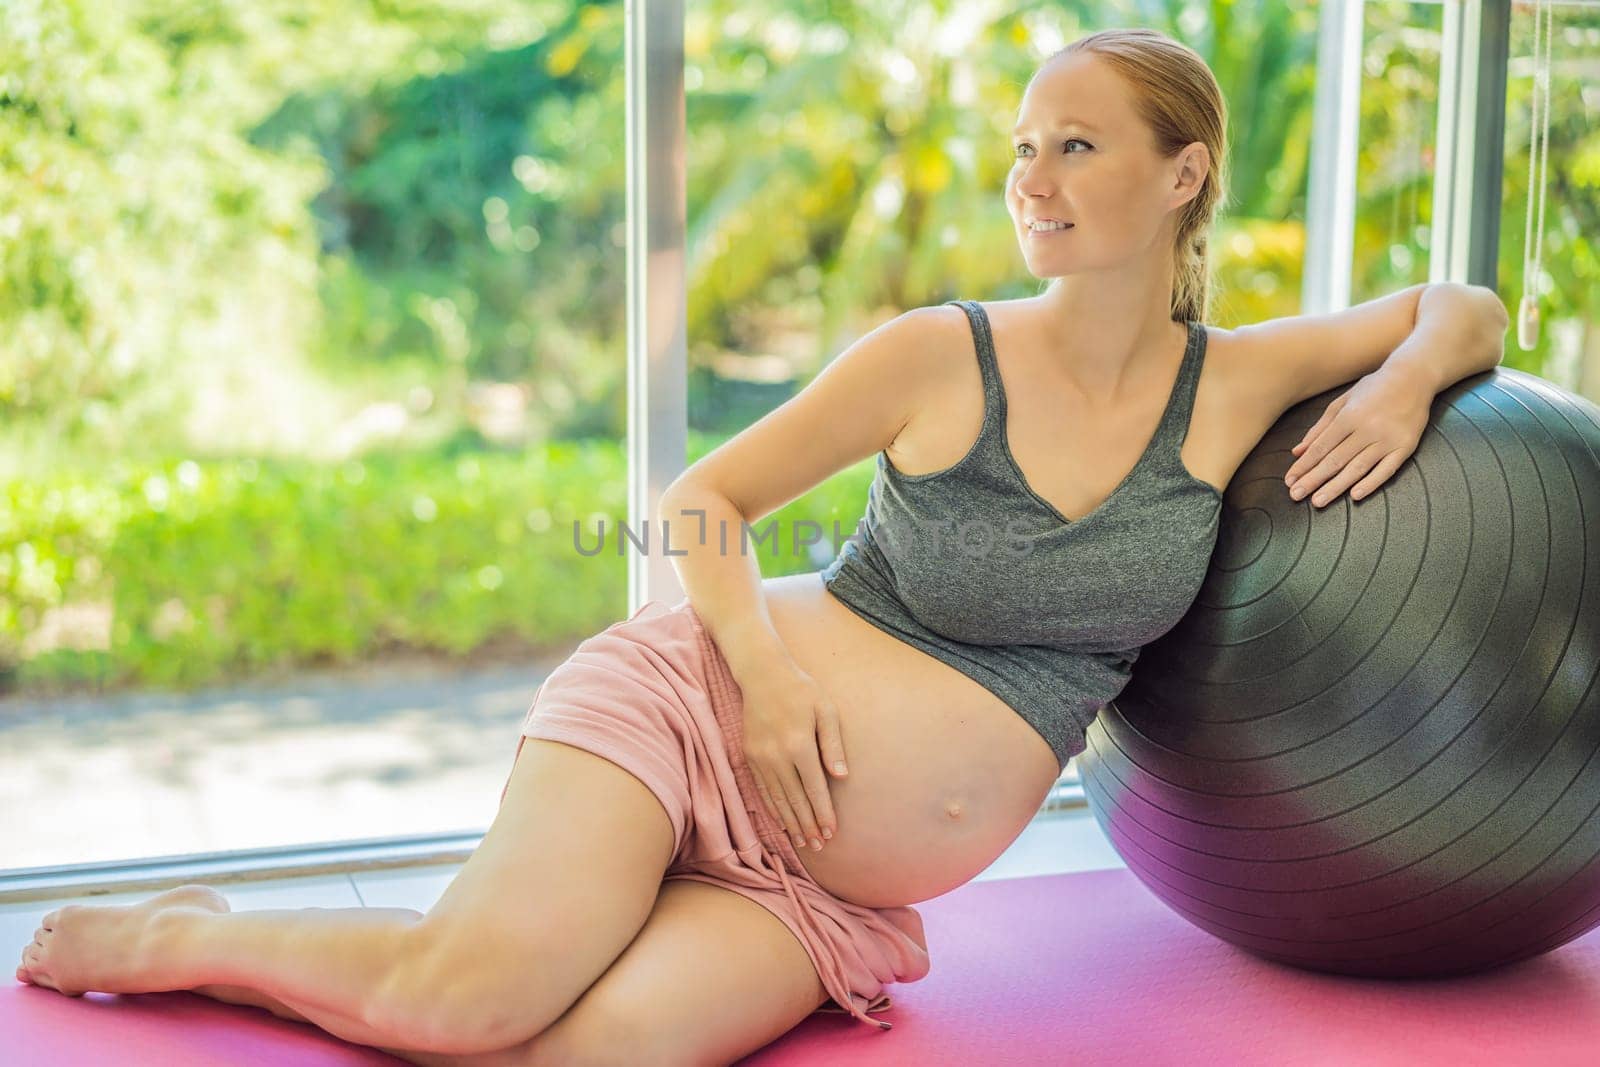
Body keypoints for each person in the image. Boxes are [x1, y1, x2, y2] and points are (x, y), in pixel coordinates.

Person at [14, 26, 1507, 1067]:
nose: (1032, 178)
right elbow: (701, 502)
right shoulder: (942, 355)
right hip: (704, 715)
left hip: (821, 889)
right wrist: (771, 685)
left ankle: (428, 948)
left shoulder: (1231, 382)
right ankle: (179, 939)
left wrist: (1398, 381)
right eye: (1021, 147)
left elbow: (1463, 305)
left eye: (1078, 144)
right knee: (465, 1005)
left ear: (1183, 173)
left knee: (580, 1053)